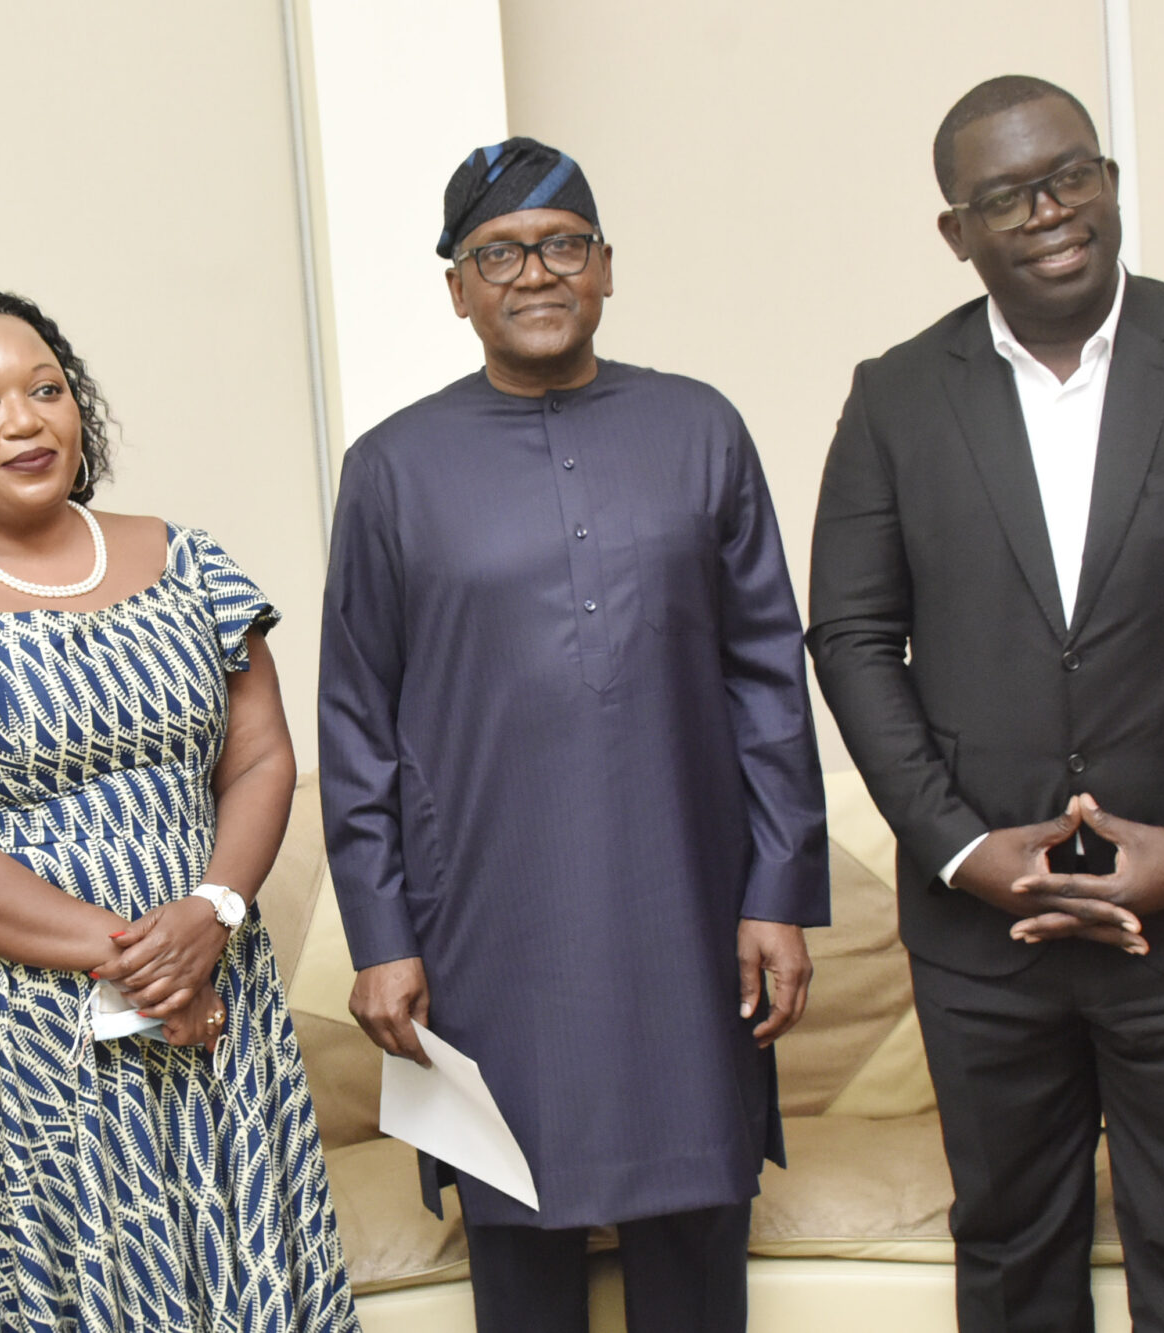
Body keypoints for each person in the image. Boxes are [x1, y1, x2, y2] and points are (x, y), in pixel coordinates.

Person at [809, 77, 1164, 1332]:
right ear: (956, 231)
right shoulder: (895, 396)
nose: (1050, 210)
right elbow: (850, 635)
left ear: (1108, 183)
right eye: (1007, 195)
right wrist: (955, 844)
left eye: (1070, 175)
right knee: (1009, 1253)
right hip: (981, 932)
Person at [319, 137, 827, 1333]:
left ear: (604, 267)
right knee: (521, 1238)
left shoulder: (700, 428)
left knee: (696, 1227)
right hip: (489, 928)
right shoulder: (390, 468)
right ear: (457, 288)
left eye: (561, 245)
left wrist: (777, 894)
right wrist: (382, 936)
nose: (535, 273)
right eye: (498, 254)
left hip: (689, 910)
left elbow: (768, 677)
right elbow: (355, 718)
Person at [0, 290, 358, 1331]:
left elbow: (261, 758)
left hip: (208, 994)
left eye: (46, 389)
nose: (24, 420)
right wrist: (145, 963)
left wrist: (214, 913)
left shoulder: (190, 564)